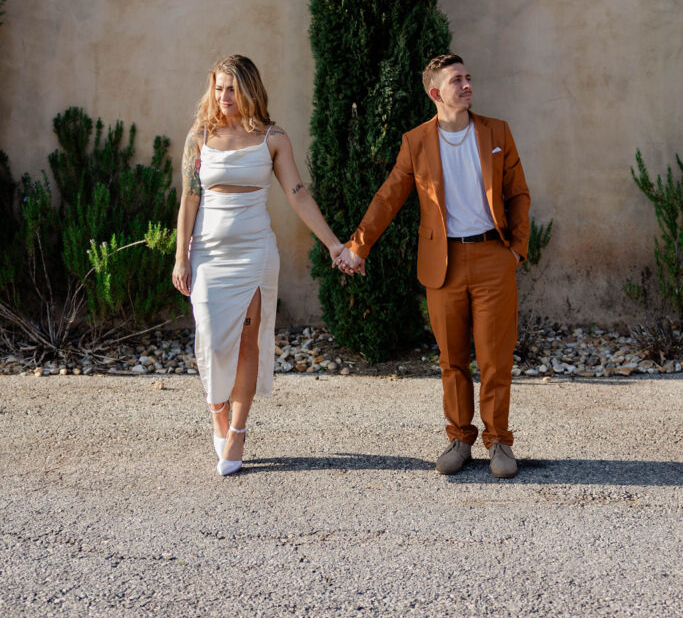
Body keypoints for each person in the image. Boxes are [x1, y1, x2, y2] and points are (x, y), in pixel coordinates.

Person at [336, 54, 530, 478]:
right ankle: (460, 438)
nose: (466, 85)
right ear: (435, 93)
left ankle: (500, 442)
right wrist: (358, 247)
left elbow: (517, 193)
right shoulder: (417, 141)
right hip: (442, 264)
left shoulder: (496, 131)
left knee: (495, 358)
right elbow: (389, 197)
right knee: (452, 358)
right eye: (456, 80)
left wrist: (516, 249)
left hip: (492, 257)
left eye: (468, 78)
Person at [172, 54, 347, 476]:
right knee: (212, 339)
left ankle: (238, 429)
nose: (224, 96)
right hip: (208, 255)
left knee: (247, 343)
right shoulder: (199, 137)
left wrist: (333, 244)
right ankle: (217, 410)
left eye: (232, 88)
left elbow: (298, 194)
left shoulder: (273, 138)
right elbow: (189, 199)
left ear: (249, 89)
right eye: (218, 87)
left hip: (254, 253)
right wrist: (180, 257)